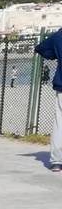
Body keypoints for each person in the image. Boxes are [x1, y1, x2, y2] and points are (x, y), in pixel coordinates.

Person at [35, 28, 62, 172]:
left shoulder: (58, 36)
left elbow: (40, 48)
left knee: (60, 123)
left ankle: (56, 161)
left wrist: (53, 54)